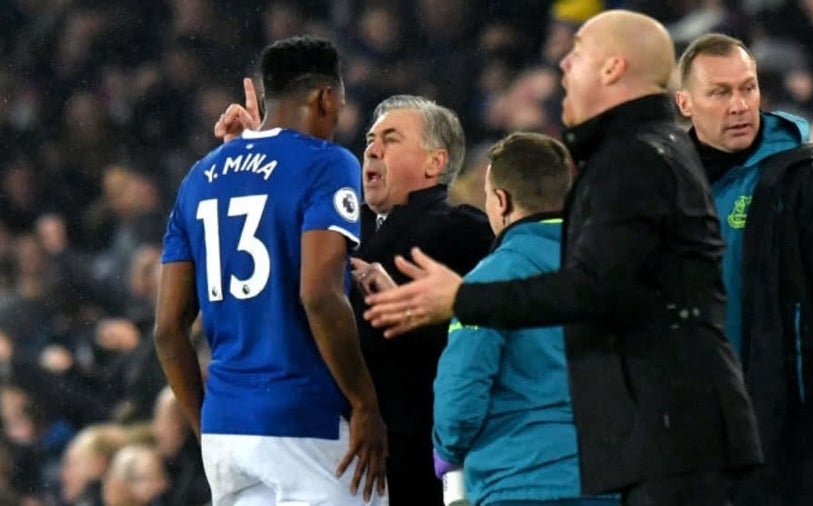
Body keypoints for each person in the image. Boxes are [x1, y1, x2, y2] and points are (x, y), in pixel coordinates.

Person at [362, 10, 762, 505]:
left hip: (658, 444)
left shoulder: (632, 157)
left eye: (578, 51)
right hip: (662, 440)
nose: (564, 64)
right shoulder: (656, 150)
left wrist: (464, 298)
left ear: (613, 68)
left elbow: (592, 289)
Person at [216, 91, 494, 506]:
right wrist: (257, 166)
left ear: (435, 162)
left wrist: (412, 311)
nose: (372, 150)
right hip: (325, 453)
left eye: (391, 139)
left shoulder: (464, 231)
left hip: (413, 456)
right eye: (370, 140)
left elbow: (487, 341)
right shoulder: (339, 224)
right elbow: (265, 256)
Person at [153, 35, 388, 505]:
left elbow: (167, 329)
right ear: (326, 97)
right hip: (306, 424)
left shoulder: (198, 178)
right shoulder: (328, 163)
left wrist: (208, 428)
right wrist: (364, 403)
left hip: (226, 431)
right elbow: (319, 295)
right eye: (340, 105)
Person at [673, 33, 813, 505]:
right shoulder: (660, 192)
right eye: (720, 92)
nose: (739, 105)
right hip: (690, 449)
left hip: (799, 449)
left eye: (748, 88)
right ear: (685, 104)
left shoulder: (810, 184)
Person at [430, 132, 618, 506]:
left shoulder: (488, 282)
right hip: (612, 481)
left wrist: (446, 452)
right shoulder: (614, 272)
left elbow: (461, 394)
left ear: (501, 201)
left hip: (519, 481)